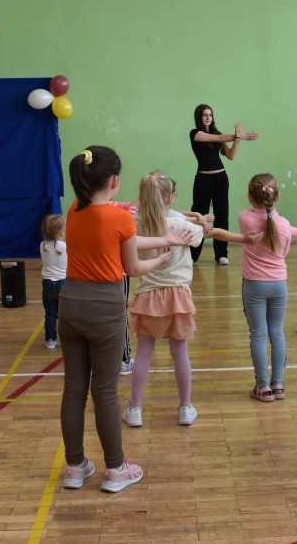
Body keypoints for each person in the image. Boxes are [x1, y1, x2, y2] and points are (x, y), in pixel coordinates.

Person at [58, 146, 189, 493]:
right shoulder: (120, 219)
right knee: (104, 392)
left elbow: (122, 235)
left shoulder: (73, 209)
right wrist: (161, 257)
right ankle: (116, 469)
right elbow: (133, 266)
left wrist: (162, 237)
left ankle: (74, 467)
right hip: (103, 311)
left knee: (74, 389)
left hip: (69, 306)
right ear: (114, 180)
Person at [122, 171, 261, 428]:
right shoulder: (178, 225)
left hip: (147, 296)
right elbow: (213, 233)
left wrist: (196, 215)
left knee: (143, 355)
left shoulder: (133, 220)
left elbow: (144, 208)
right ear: (169, 198)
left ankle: (135, 409)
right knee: (180, 353)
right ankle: (185, 407)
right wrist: (242, 238)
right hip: (177, 296)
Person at [239, 173, 297, 401]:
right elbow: (280, 232)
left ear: (250, 197)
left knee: (258, 334)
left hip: (254, 285)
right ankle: (278, 384)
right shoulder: (284, 225)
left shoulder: (244, 218)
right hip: (279, 284)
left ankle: (263, 387)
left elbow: (266, 223)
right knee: (277, 332)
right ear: (277, 196)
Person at [189, 103, 259, 265]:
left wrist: (238, 140)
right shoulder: (195, 133)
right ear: (199, 117)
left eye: (210, 115)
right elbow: (218, 139)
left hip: (220, 179)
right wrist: (241, 136)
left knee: (222, 215)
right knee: (199, 215)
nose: (208, 117)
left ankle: (221, 254)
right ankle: (192, 255)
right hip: (203, 180)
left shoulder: (217, 133)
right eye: (205, 115)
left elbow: (230, 155)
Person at [40, 214, 66, 350]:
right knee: (65, 314)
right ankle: (67, 338)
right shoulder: (65, 247)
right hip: (63, 284)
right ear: (61, 232)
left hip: (48, 284)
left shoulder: (42, 246)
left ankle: (50, 340)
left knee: (50, 313)